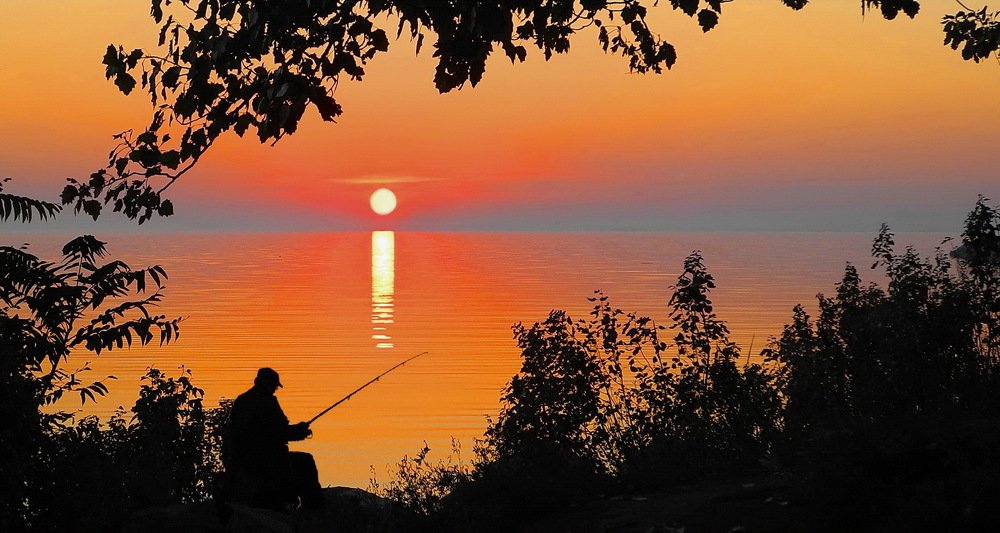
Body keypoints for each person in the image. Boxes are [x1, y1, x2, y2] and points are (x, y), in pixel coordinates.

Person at [225, 368, 323, 510]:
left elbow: (274, 431)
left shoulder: (243, 400)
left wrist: (296, 430)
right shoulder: (266, 403)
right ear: (266, 384)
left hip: (246, 457)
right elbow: (278, 432)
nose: (275, 389)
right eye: (274, 386)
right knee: (305, 461)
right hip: (264, 459)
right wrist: (299, 431)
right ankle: (313, 505)